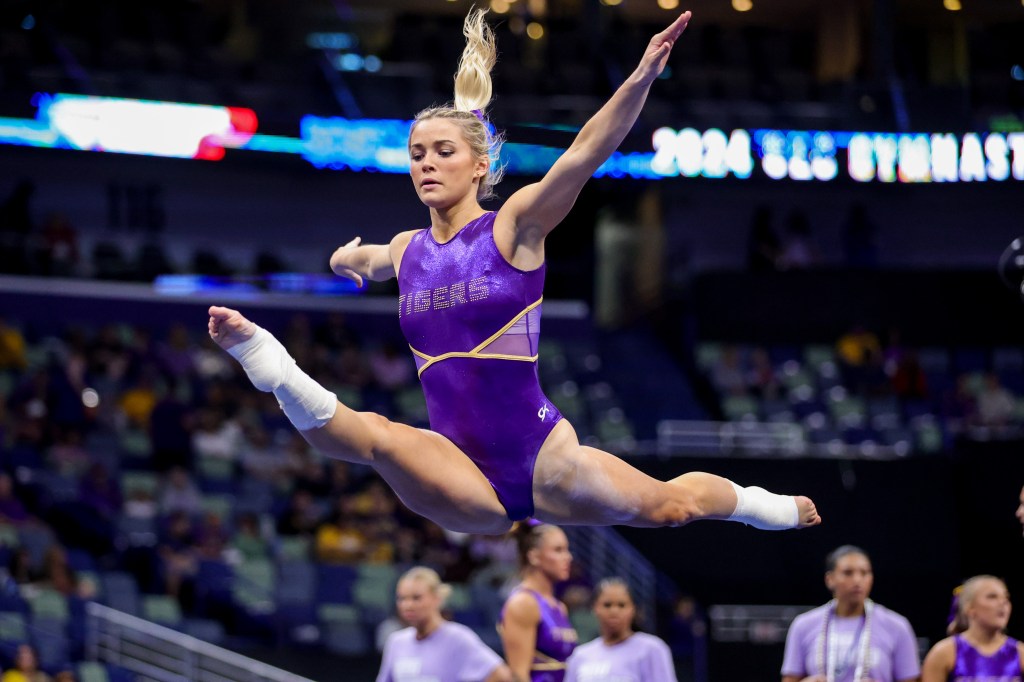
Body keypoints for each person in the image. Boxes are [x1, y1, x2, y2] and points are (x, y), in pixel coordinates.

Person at [207, 8, 820, 536]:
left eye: (444, 152)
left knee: (671, 508)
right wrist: (347, 259)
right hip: (456, 467)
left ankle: (757, 506)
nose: (427, 164)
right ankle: (268, 362)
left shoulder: (513, 225)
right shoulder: (407, 249)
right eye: (417, 153)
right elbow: (364, 260)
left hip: (542, 458)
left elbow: (584, 155)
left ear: (479, 166)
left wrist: (638, 81)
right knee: (378, 438)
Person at [781, 545, 920, 682]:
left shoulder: (897, 626)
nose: (857, 580)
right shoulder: (803, 625)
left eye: (865, 573)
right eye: (848, 573)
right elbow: (790, 679)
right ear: (830, 579)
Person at [377, 566, 512, 682]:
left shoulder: (457, 638)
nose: (408, 605)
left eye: (416, 598)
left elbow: (502, 676)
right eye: (402, 598)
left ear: (437, 598)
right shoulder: (396, 642)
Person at [499, 522, 578, 681]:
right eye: (558, 550)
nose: (568, 557)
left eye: (567, 550)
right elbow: (519, 675)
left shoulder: (559, 606)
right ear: (534, 556)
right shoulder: (524, 603)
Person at [565, 577, 676, 682]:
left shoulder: (651, 649)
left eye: (621, 605)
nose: (614, 611)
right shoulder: (580, 655)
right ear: (595, 608)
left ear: (633, 609)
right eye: (607, 605)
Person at [921, 575, 1023, 682]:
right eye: (992, 596)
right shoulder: (944, 652)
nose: (1003, 602)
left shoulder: (1020, 652)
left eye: (1006, 597)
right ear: (970, 608)